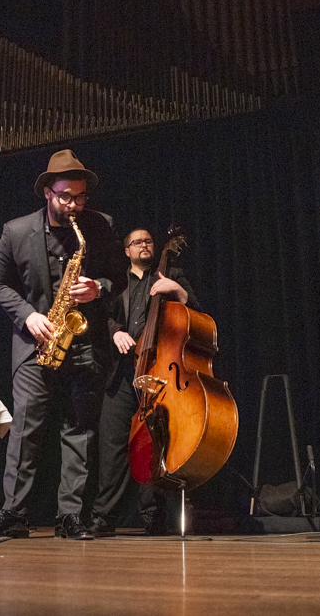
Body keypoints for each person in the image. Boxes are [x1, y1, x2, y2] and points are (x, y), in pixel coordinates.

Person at [0, 149, 126, 540]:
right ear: (47, 192)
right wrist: (28, 315)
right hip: (35, 344)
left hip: (84, 344)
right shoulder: (15, 231)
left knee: (78, 430)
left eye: (80, 197)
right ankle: (14, 513)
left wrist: (99, 288)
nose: (74, 205)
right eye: (66, 196)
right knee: (25, 430)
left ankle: (70, 516)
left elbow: (119, 277)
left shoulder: (99, 225)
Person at [88, 228, 200, 536]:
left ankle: (154, 517)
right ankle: (103, 518)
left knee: (154, 444)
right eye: (137, 242)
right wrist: (115, 332)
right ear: (127, 251)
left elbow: (197, 314)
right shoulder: (118, 283)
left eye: (148, 241)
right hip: (123, 372)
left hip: (160, 372)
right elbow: (104, 318)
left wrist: (178, 291)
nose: (144, 245)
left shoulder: (170, 273)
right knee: (111, 446)